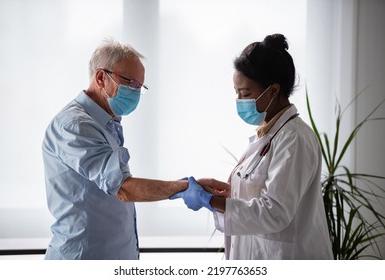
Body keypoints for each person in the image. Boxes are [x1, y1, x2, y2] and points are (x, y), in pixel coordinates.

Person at [42, 39, 226, 260]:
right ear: (101, 77)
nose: (136, 92)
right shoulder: (76, 126)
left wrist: (186, 186)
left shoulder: (106, 123)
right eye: (130, 83)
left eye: (140, 86)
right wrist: (185, 187)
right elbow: (124, 189)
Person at [173, 34, 333, 260]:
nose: (239, 100)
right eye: (236, 93)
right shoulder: (268, 136)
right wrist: (224, 194)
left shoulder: (294, 138)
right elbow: (260, 194)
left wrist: (209, 201)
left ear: (274, 90)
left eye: (245, 93)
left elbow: (274, 212)